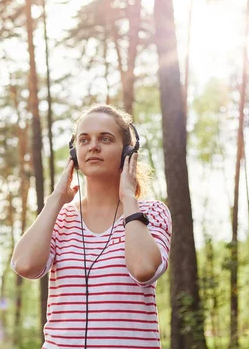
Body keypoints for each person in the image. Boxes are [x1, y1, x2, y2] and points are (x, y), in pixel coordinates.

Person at [11, 104, 172, 349]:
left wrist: (129, 197)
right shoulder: (60, 218)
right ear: (75, 153)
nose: (93, 146)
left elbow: (143, 269)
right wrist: (55, 200)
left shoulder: (151, 212)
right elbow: (24, 265)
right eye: (84, 140)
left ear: (128, 151)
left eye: (105, 139)